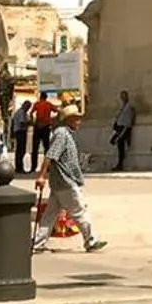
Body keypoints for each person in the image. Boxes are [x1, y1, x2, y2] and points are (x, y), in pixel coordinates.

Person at [33, 103, 105, 254]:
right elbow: (50, 155)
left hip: (59, 183)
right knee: (80, 210)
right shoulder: (62, 134)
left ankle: (38, 243)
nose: (79, 122)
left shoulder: (66, 134)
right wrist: (41, 176)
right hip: (66, 182)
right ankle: (90, 240)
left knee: (50, 216)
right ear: (69, 120)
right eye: (77, 119)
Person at [110, 90, 136, 172]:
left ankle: (120, 164)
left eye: (124, 96)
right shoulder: (122, 107)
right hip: (119, 127)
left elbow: (129, 119)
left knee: (119, 142)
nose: (122, 98)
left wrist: (127, 127)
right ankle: (119, 163)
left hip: (124, 127)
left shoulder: (129, 107)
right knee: (113, 141)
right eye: (121, 96)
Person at [31, 93, 56, 171]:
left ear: (40, 97)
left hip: (38, 126)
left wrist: (33, 121)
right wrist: (52, 120)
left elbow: (31, 112)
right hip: (46, 126)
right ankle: (47, 167)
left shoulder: (37, 104)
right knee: (47, 148)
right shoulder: (49, 104)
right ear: (46, 97)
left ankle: (33, 167)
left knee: (35, 148)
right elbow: (56, 111)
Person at [10, 97, 32, 176]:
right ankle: (20, 168)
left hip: (18, 132)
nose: (28, 109)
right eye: (28, 107)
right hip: (21, 132)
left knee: (19, 151)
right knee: (21, 151)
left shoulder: (18, 112)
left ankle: (18, 167)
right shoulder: (21, 112)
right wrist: (29, 123)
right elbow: (22, 122)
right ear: (25, 106)